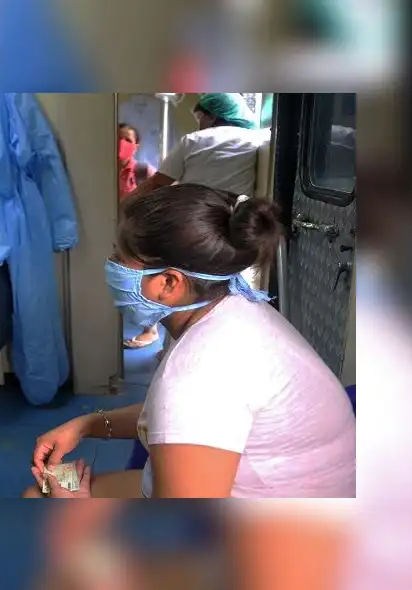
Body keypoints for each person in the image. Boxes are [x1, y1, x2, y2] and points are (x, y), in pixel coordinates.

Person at [24, 183, 356, 498]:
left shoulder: (198, 372)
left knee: (41, 505)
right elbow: (187, 416)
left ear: (169, 283)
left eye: (119, 257)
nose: (111, 265)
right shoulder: (234, 307)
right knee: (44, 492)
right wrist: (87, 425)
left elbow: (184, 540)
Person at [124, 93, 267, 350]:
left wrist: (124, 207)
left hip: (190, 221)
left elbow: (158, 184)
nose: (199, 121)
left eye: (200, 116)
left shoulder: (195, 140)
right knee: (219, 291)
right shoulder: (258, 140)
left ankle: (163, 339)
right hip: (229, 224)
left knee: (174, 284)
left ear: (212, 115)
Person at [117, 123, 156, 199]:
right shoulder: (99, 170)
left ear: (136, 147)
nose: (122, 143)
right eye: (118, 139)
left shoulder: (144, 171)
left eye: (128, 140)